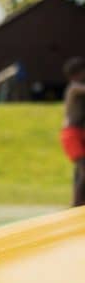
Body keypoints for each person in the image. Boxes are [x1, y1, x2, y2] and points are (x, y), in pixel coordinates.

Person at [60, 57, 85, 207]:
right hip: (71, 133)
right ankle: (75, 203)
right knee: (84, 168)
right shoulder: (74, 88)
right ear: (76, 74)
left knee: (79, 170)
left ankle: (80, 201)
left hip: (78, 133)